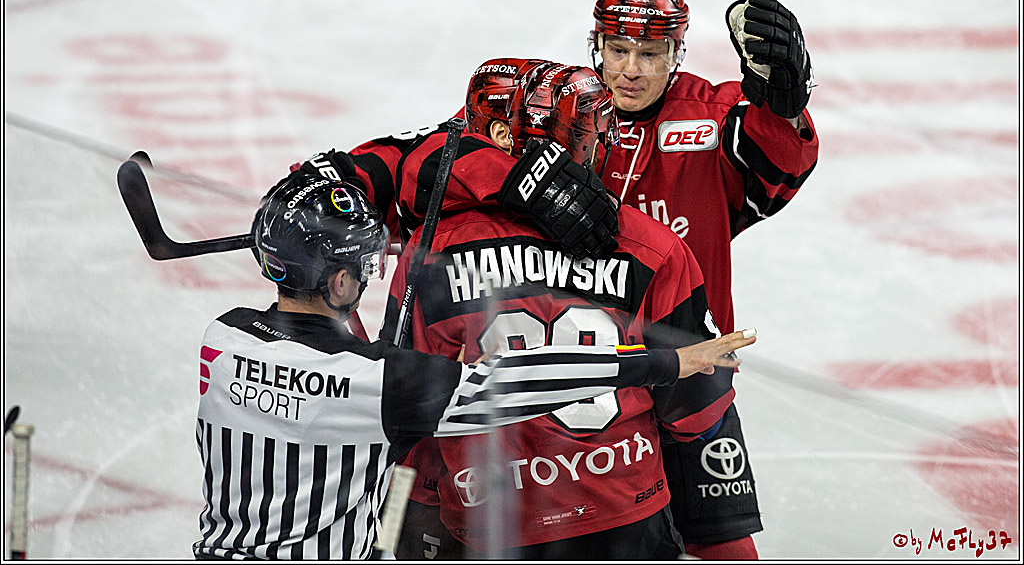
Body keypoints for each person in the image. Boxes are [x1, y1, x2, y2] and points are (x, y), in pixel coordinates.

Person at [191, 171, 756, 560]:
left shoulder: (223, 339)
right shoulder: (376, 383)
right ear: (340, 283)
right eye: (362, 265)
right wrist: (666, 360)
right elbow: (516, 381)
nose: (368, 274)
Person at [380, 60, 754, 558]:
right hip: (623, 512)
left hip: (491, 520)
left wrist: (408, 523)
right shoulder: (652, 245)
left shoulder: (432, 250)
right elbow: (698, 410)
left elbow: (407, 408)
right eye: (592, 134)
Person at [588, 0, 820, 560]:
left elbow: (780, 166)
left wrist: (784, 104)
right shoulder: (565, 112)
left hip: (694, 374)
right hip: (588, 381)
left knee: (725, 547)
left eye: (650, 52)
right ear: (597, 46)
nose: (630, 69)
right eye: (618, 50)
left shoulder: (712, 115)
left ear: (676, 53)